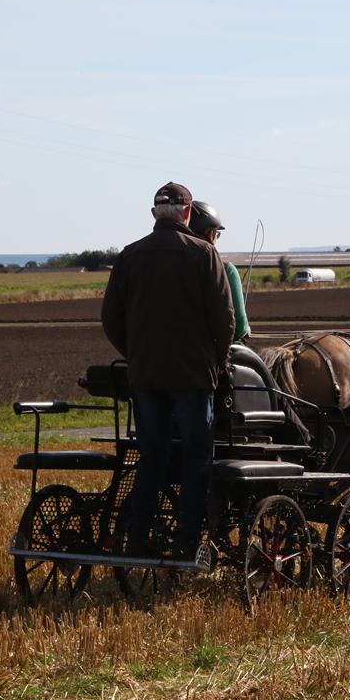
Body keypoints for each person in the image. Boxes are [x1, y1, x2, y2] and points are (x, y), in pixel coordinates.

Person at [101, 182, 235, 559]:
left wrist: (137, 354)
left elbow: (111, 319)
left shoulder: (129, 256)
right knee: (196, 459)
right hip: (193, 378)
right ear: (188, 213)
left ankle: (138, 537)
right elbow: (225, 320)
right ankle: (185, 543)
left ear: (153, 214)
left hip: (145, 378)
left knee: (151, 458)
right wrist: (215, 360)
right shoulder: (204, 254)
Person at [188, 200, 251, 342]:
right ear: (211, 234)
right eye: (217, 234)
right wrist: (245, 328)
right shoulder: (227, 270)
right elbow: (239, 327)